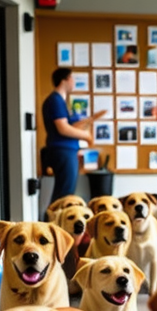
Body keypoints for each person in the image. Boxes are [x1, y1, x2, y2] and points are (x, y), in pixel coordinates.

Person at [42, 67, 105, 211]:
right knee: (64, 194)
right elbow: (62, 128)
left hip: (65, 150)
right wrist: (86, 136)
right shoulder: (55, 100)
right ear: (65, 80)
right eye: (72, 79)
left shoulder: (60, 101)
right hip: (63, 151)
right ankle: (54, 225)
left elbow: (70, 125)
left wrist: (90, 120)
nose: (73, 82)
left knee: (65, 191)